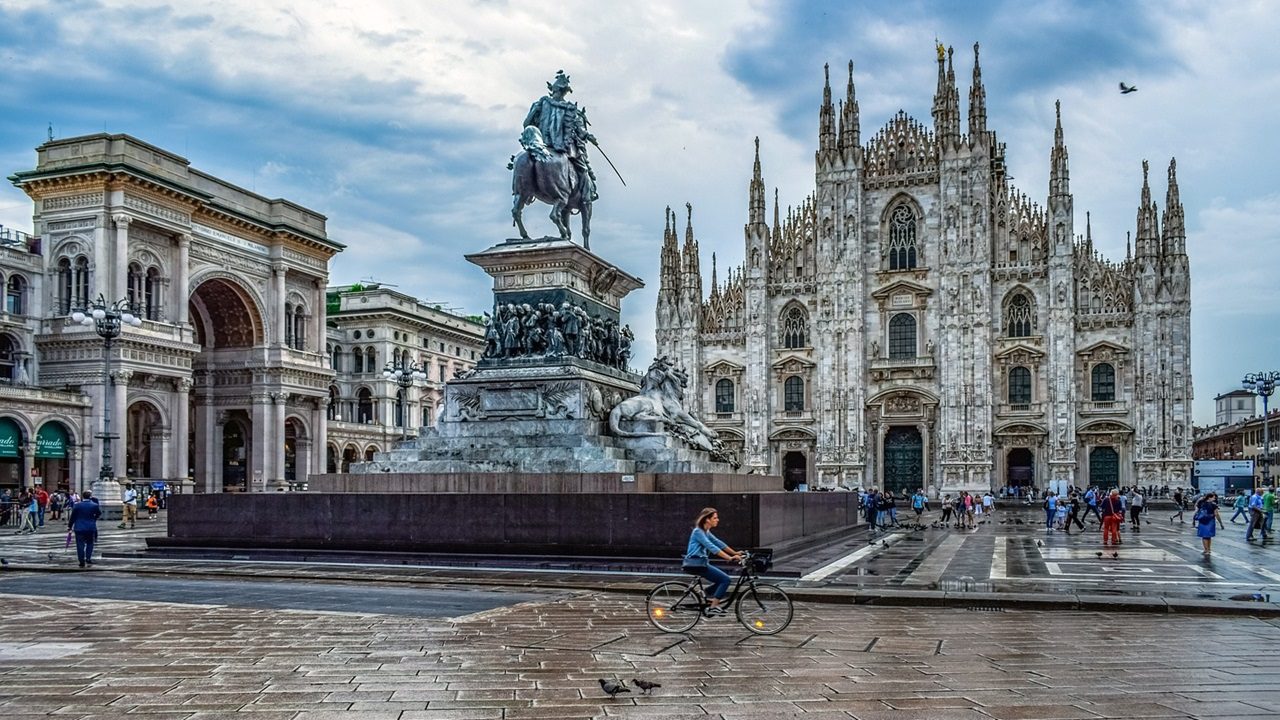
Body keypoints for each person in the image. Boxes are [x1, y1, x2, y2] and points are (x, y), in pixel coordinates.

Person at [522, 70, 599, 202]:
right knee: (583, 168)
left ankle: (525, 192)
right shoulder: (569, 108)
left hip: (542, 145)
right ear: (565, 91)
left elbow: (527, 124)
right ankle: (587, 196)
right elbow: (580, 130)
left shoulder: (541, 103)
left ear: (554, 89)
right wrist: (589, 137)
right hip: (562, 146)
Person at [682, 507, 742, 614]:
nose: (717, 520)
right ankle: (713, 606)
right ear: (707, 519)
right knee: (725, 580)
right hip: (696, 563)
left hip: (701, 563)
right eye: (715, 518)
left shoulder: (706, 531)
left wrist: (735, 553)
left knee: (721, 580)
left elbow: (718, 543)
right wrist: (729, 558)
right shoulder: (698, 532)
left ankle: (702, 594)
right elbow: (712, 547)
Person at [67, 490, 102, 568]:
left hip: (79, 527)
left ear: (82, 496)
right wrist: (94, 519)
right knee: (90, 543)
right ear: (90, 496)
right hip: (90, 527)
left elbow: (73, 517)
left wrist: (70, 526)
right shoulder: (94, 505)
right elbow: (99, 514)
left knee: (80, 544)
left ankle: (81, 560)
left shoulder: (77, 505)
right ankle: (88, 558)